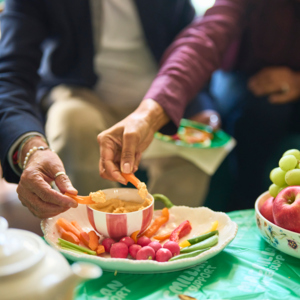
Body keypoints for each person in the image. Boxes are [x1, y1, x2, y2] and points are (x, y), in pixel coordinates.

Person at [0, 0, 221, 218]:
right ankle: (94, 239)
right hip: (81, 95)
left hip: (158, 98)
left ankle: (163, 243)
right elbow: (10, 74)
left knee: (194, 155)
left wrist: (200, 105)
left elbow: (192, 45)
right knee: (72, 121)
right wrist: (31, 148)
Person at [99, 0, 300, 211]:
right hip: (251, 82)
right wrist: (150, 113)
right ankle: (245, 207)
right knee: (263, 112)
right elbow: (204, 38)